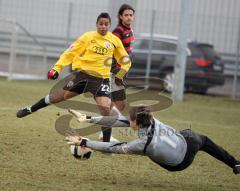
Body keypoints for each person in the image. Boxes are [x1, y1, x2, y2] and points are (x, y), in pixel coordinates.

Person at [16, 13, 131, 123]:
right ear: (96, 24)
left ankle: (106, 141)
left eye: (106, 24)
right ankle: (31, 109)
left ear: (109, 25)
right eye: (101, 23)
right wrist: (56, 68)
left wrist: (120, 74)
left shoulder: (114, 40)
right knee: (58, 97)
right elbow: (70, 52)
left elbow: (125, 59)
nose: (103, 26)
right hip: (83, 76)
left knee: (105, 109)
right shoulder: (87, 37)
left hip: (102, 80)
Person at [66, 106, 240, 174]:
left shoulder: (143, 145)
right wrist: (88, 118)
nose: (128, 120)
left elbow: (113, 147)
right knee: (201, 138)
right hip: (187, 141)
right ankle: (235, 164)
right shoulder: (148, 118)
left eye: (131, 120)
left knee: (155, 150)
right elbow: (118, 121)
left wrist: (84, 142)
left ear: (137, 123)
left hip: (179, 163)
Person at [101, 4, 135, 142]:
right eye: (126, 15)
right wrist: (116, 72)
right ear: (120, 16)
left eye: (131, 15)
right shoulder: (117, 32)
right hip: (116, 71)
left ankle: (105, 133)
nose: (129, 17)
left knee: (112, 104)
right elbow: (111, 52)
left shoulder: (129, 30)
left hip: (122, 70)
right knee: (120, 104)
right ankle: (106, 133)